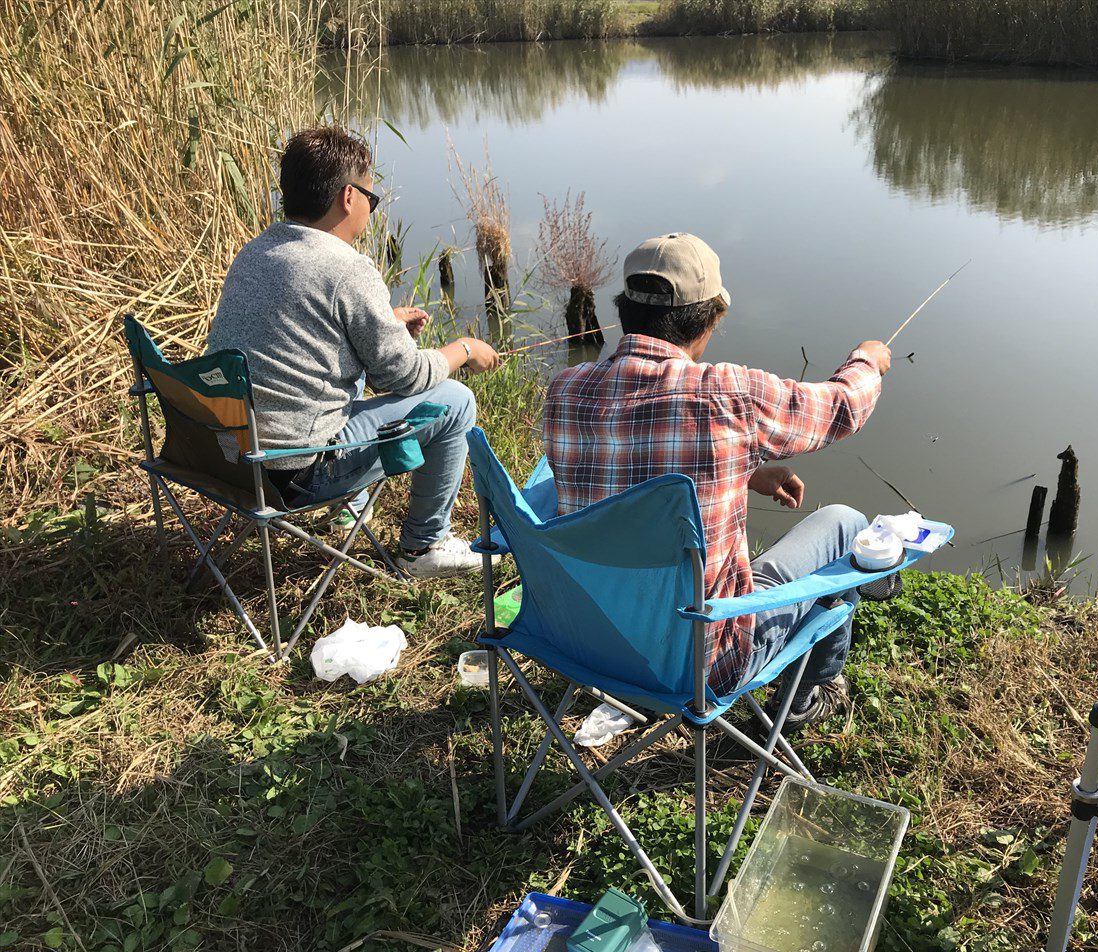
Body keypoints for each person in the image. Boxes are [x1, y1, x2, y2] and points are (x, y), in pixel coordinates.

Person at [542, 233, 892, 730]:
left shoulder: (564, 391)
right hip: (702, 663)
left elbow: (628, 472)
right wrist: (868, 360)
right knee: (842, 523)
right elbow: (841, 407)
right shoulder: (727, 394)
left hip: (590, 640)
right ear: (709, 321)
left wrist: (742, 472)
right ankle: (803, 702)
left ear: (623, 310)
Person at [207, 126, 501, 579]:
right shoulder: (347, 266)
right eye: (371, 197)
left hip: (225, 459)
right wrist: (465, 348)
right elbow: (405, 376)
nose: (370, 207)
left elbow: (306, 341)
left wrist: (385, 324)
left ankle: (352, 511)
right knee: (456, 401)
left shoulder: (256, 251)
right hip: (294, 475)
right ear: (349, 196)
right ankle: (422, 548)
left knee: (352, 381)